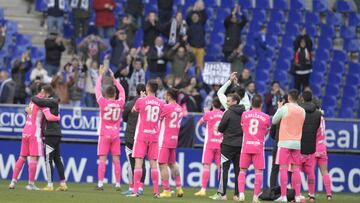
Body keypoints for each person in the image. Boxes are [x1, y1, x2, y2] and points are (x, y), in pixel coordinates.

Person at [8, 85, 59, 190]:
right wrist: (58, 117)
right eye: (47, 94)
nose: (48, 96)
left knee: (22, 157)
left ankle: (13, 182)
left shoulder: (32, 101)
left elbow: (27, 110)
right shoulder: (42, 103)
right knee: (33, 158)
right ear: (44, 92)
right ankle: (31, 184)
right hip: (34, 132)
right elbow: (49, 117)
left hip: (25, 130)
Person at [128, 79, 164, 198]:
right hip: (154, 136)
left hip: (142, 136)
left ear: (147, 88)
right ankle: (156, 192)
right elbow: (161, 116)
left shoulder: (141, 101)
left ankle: (136, 191)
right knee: (153, 164)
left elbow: (133, 110)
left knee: (139, 163)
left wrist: (142, 98)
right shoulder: (161, 103)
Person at [31, 85, 67, 191]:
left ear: (46, 93)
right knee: (57, 159)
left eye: (43, 92)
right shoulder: (54, 101)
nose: (41, 94)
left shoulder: (50, 102)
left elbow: (42, 106)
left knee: (48, 160)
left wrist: (33, 98)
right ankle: (63, 184)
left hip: (50, 134)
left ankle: (50, 184)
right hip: (56, 133)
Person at [95, 65, 126, 190]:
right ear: (115, 94)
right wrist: (115, 80)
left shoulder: (103, 102)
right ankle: (118, 184)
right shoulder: (120, 103)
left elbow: (97, 88)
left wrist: (101, 75)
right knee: (116, 159)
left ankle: (100, 183)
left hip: (104, 134)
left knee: (103, 159)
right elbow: (123, 91)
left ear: (106, 94)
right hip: (116, 135)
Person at [272, 89, 306, 202]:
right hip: (297, 143)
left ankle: (283, 196)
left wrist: (279, 108)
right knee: (296, 169)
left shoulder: (285, 108)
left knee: (283, 168)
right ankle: (297, 195)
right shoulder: (302, 110)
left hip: (284, 142)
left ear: (289, 97)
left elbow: (274, 120)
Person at [210, 93, 245, 201]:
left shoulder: (228, 112)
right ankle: (237, 195)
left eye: (229, 101)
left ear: (235, 101)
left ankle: (222, 194)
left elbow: (220, 128)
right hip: (240, 146)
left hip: (227, 145)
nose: (226, 102)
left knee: (224, 170)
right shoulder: (244, 113)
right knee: (238, 171)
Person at [238, 94, 270, 202]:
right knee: (258, 172)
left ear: (251, 103)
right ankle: (255, 197)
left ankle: (241, 194)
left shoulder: (244, 114)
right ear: (261, 104)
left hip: (246, 146)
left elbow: (243, 128)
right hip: (258, 147)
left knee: (242, 171)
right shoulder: (266, 117)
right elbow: (267, 131)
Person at [194, 98, 223, 196]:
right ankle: (220, 191)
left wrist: (206, 113)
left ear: (212, 104)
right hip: (220, 144)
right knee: (220, 167)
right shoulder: (224, 115)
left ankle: (203, 189)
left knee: (206, 166)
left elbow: (200, 123)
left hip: (209, 144)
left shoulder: (208, 114)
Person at [121, 84, 147, 195]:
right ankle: (140, 187)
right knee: (142, 164)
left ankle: (132, 188)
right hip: (144, 137)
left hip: (131, 137)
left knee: (132, 163)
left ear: (136, 91)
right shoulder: (148, 105)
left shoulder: (129, 104)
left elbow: (124, 118)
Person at [158, 88, 184, 198]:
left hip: (164, 139)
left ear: (169, 96)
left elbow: (157, 119)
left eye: (165, 95)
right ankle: (179, 188)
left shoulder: (166, 107)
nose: (164, 96)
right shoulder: (180, 108)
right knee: (172, 164)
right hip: (174, 139)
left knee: (162, 164)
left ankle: (166, 190)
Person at [299, 90, 321, 202]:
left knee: (295, 171)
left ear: (302, 98)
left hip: (298, 146)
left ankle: (296, 194)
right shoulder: (318, 114)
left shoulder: (298, 111)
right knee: (311, 172)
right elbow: (317, 128)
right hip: (311, 146)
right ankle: (311, 195)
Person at [269, 94, 287, 188]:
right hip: (287, 145)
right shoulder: (290, 115)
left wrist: (277, 138)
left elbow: (272, 132)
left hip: (277, 144)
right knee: (288, 169)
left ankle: (272, 189)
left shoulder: (278, 115)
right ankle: (288, 190)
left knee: (275, 168)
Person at [315, 105, 333, 200]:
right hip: (322, 146)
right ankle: (329, 194)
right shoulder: (322, 118)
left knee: (310, 172)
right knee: (325, 171)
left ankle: (311, 194)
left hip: (313, 147)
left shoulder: (314, 118)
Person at [186, 0, 208, 74]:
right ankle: (188, 77)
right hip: (192, 47)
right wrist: (194, 9)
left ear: (199, 17)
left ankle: (198, 78)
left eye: (196, 16)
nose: (195, 17)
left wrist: (202, 8)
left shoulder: (201, 23)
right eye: (193, 16)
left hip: (200, 48)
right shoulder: (189, 24)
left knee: (200, 65)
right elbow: (188, 17)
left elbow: (205, 16)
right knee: (190, 64)